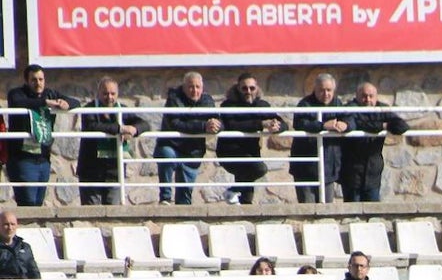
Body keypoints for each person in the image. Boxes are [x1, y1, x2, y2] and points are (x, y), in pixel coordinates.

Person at [5, 64, 81, 206]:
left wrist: (66, 103)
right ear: (27, 81)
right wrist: (45, 103)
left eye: (41, 79)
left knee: (38, 203)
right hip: (23, 158)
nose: (38, 83)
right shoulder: (17, 93)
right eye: (34, 80)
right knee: (28, 202)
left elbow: (76, 102)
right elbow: (18, 102)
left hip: (43, 159)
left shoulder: (50, 93)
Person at [76, 77, 149, 206]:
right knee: (92, 214)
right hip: (91, 172)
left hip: (114, 172)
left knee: (113, 212)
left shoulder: (122, 109)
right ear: (98, 94)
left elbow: (144, 124)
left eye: (112, 93)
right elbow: (92, 126)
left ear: (117, 94)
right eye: (105, 93)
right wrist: (120, 129)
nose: (109, 97)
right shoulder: (89, 109)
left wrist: (133, 129)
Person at [216, 72, 287, 205]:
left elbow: (282, 123)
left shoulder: (262, 105)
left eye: (252, 88)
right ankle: (233, 190)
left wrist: (277, 126)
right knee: (259, 169)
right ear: (238, 89)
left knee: (247, 200)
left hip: (251, 152)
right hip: (230, 152)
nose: (248, 91)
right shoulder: (228, 105)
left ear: (257, 89)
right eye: (244, 88)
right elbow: (232, 125)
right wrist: (260, 124)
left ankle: (240, 208)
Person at [155, 72, 222, 205]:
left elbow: (218, 120)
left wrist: (216, 126)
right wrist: (204, 126)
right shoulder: (174, 99)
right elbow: (175, 123)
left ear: (202, 89)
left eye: (198, 87)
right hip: (171, 145)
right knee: (166, 156)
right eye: (191, 87)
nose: (194, 90)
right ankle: (165, 197)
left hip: (193, 150)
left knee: (185, 197)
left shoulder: (207, 101)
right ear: (184, 87)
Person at [339, 82, 409, 202]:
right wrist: (382, 125)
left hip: (373, 171)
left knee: (373, 214)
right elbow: (357, 123)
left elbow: (401, 126)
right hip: (352, 171)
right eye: (364, 96)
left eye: (371, 96)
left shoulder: (381, 109)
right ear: (357, 97)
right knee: (352, 213)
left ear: (376, 97)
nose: (368, 100)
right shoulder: (350, 108)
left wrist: (383, 125)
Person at [290, 73, 351, 204]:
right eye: (322, 90)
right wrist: (323, 126)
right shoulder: (305, 104)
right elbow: (300, 123)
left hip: (329, 167)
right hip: (305, 167)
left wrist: (346, 124)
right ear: (315, 89)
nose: (326, 94)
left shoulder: (337, 103)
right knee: (308, 208)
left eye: (329, 90)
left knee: (326, 209)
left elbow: (350, 118)